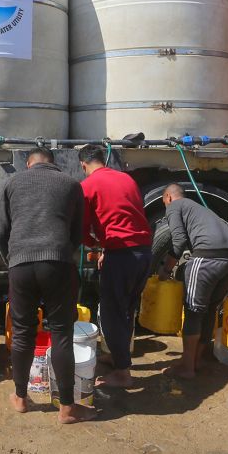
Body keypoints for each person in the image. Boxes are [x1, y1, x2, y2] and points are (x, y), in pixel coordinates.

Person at [0, 146, 96, 423]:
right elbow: (76, 233)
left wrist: (13, 261)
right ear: (53, 163)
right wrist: (61, 255)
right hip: (58, 263)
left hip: (21, 264)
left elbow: (1, 232)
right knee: (62, 333)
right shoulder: (72, 184)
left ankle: (20, 397)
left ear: (29, 164)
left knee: (23, 332)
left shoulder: (11, 183)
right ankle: (67, 408)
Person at [79, 144, 152, 389]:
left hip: (121, 255)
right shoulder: (126, 178)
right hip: (143, 252)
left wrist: (96, 246)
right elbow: (129, 215)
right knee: (127, 310)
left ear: (83, 165)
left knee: (110, 313)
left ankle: (123, 373)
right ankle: (119, 358)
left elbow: (82, 227)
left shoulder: (87, 186)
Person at [160, 184, 228, 379]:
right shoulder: (197, 208)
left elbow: (178, 242)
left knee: (193, 310)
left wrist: (165, 269)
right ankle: (196, 360)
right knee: (210, 308)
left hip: (208, 257)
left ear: (169, 197)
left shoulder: (174, 206)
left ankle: (187, 368)